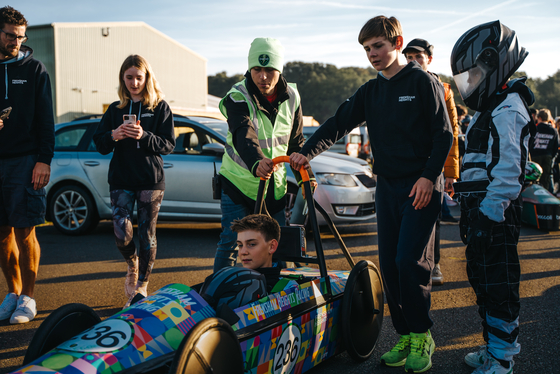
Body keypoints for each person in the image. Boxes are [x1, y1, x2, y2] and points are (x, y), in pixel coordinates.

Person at [290, 15, 452, 373]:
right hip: (388, 186)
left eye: (378, 46)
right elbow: (337, 123)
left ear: (397, 42)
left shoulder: (423, 82)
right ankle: (406, 335)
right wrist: (307, 151)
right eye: (366, 49)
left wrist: (429, 178)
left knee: (411, 263)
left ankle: (423, 334)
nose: (372, 54)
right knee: (391, 268)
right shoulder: (371, 90)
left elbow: (445, 136)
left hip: (421, 187)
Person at [451, 20, 534, 374]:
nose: (468, 84)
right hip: (480, 209)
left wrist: (488, 215)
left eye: (473, 75)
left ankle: (502, 358)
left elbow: (507, 170)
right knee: (482, 281)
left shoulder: (508, 109)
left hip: (494, 212)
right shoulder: (492, 107)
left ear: (491, 62)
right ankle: (493, 347)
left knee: (499, 285)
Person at [214, 37, 315, 272]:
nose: (263, 77)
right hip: (238, 184)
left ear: (279, 70)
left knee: (276, 244)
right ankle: (218, 296)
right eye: (257, 70)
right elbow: (243, 133)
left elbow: (296, 144)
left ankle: (279, 297)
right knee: (231, 242)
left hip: (273, 186)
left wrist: (305, 178)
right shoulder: (237, 96)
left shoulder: (292, 97)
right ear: (249, 69)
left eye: (269, 70)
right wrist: (256, 162)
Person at [93, 55, 175, 308]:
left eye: (139, 77)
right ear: (123, 79)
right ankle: (132, 264)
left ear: (147, 78)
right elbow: (99, 144)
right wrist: (114, 135)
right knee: (121, 230)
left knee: (147, 234)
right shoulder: (116, 110)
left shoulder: (159, 107)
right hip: (121, 177)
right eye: (129, 77)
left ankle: (142, 285)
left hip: (150, 179)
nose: (134, 82)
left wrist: (145, 135)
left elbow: (169, 144)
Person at [0, 6, 54, 324]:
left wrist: (43, 160)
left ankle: (29, 298)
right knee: (3, 233)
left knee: (25, 230)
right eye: (10, 35)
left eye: (21, 37)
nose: (17, 42)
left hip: (25, 160)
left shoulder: (35, 70)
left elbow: (46, 120)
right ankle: (13, 293)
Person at [403, 38, 461, 286]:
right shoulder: (399, 84)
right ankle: (406, 266)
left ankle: (434, 263)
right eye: (408, 57)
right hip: (405, 167)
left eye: (417, 57)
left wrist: (450, 173)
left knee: (431, 219)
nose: (412, 61)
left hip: (432, 167)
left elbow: (452, 133)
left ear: (429, 59)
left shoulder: (444, 89)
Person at [231, 214, 298, 292]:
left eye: (252, 244)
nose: (243, 252)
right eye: (240, 245)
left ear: (271, 247)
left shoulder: (288, 288)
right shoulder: (233, 282)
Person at [529, 109, 558, 192]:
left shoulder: (535, 129)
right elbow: (556, 147)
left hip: (535, 156)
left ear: (539, 117)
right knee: (546, 179)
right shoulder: (553, 131)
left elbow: (530, 142)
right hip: (547, 156)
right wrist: (552, 157)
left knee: (534, 178)